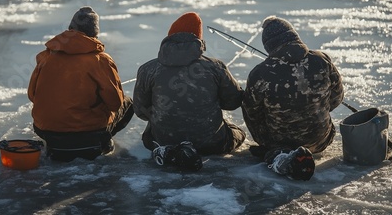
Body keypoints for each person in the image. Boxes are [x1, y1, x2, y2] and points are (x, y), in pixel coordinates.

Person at [133, 12, 246, 170]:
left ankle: (170, 151)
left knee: (152, 137)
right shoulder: (215, 67)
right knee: (238, 132)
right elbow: (233, 102)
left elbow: (140, 111)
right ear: (198, 40)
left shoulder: (148, 69)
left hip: (162, 139)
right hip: (213, 143)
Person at [242, 16, 344, 180]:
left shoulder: (260, 73)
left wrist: (265, 139)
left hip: (280, 141)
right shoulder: (321, 60)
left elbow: (251, 113)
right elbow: (337, 98)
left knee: (271, 146)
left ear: (269, 46)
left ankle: (280, 157)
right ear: (294, 36)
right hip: (321, 139)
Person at [28, 6, 134, 162]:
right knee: (128, 103)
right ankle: (100, 143)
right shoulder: (101, 60)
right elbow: (114, 103)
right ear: (94, 34)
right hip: (87, 133)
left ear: (70, 28)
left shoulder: (46, 56)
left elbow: (32, 96)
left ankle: (60, 144)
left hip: (46, 130)